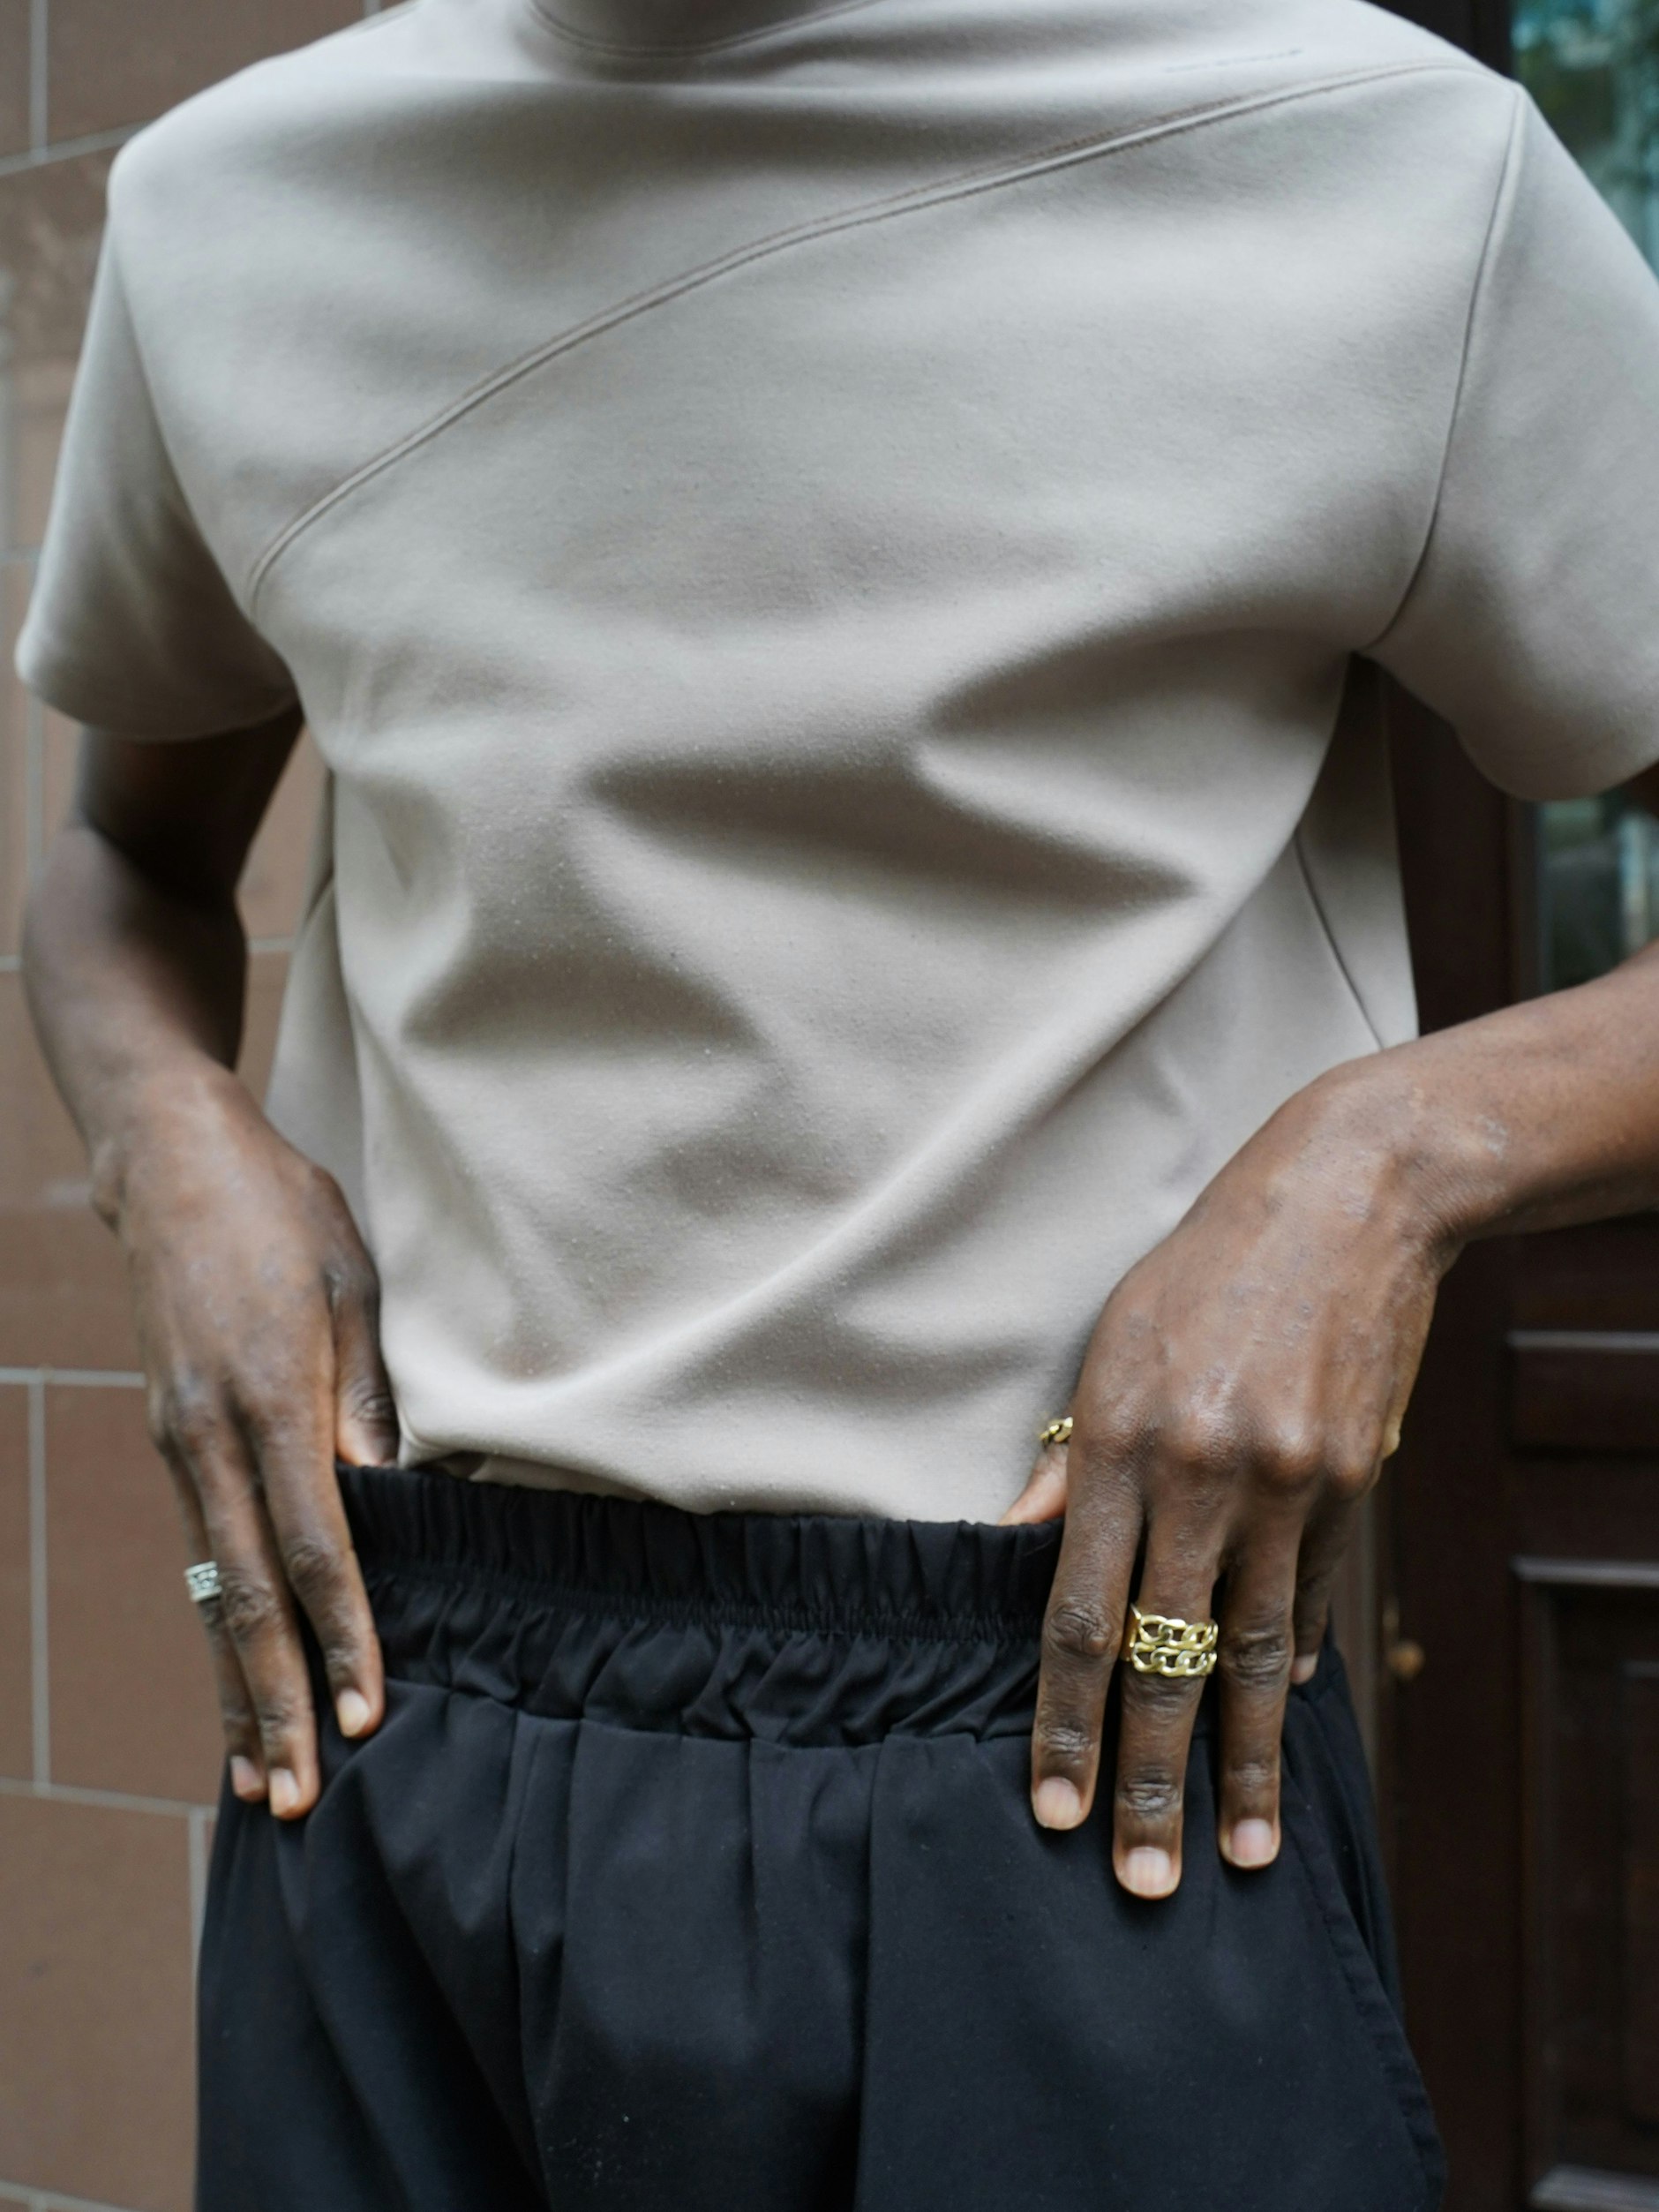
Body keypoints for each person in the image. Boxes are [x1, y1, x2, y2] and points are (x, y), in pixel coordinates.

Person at [18, 0, 1659, 2203]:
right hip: (390, 1717)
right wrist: (166, 1140)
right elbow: (122, 861)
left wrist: (1387, 1162)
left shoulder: (1385, 161)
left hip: (1069, 1735)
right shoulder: (230, 205)